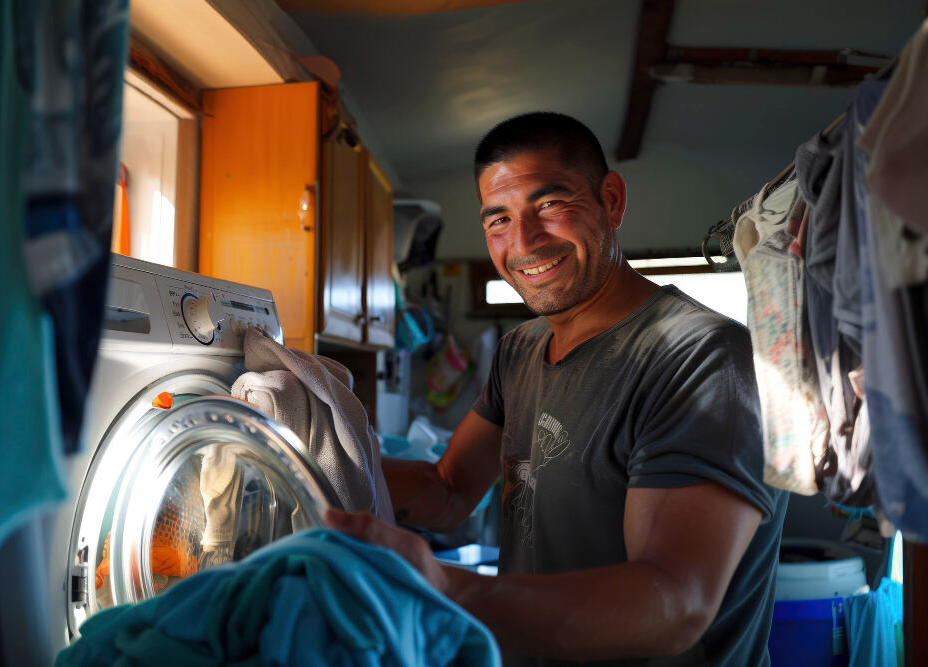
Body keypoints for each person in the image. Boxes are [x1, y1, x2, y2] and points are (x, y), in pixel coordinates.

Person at [325, 111, 788, 666]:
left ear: (611, 200)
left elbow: (674, 603)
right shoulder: (520, 350)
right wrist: (308, 465)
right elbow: (448, 490)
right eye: (498, 219)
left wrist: (440, 589)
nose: (523, 243)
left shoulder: (702, 359)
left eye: (550, 204)